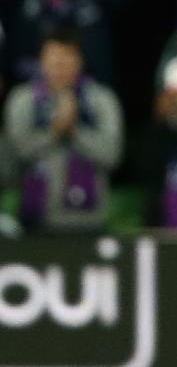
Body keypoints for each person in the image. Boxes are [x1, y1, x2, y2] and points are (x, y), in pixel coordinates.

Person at [3, 27, 124, 234]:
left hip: (89, 222)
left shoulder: (101, 99)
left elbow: (112, 155)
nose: (60, 67)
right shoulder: (23, 99)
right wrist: (55, 131)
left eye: (67, 59)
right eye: (54, 60)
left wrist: (75, 131)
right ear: (41, 61)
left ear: (80, 61)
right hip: (34, 222)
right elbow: (14, 155)